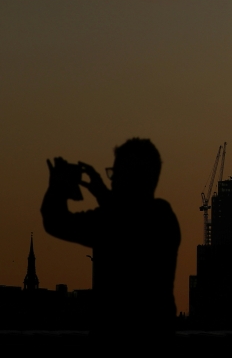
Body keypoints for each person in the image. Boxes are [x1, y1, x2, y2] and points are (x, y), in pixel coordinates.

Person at [42, 138, 180, 337]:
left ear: (132, 179)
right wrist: (102, 193)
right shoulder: (164, 217)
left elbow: (56, 222)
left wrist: (58, 187)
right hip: (157, 341)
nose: (113, 180)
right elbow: (129, 219)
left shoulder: (109, 222)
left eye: (117, 174)